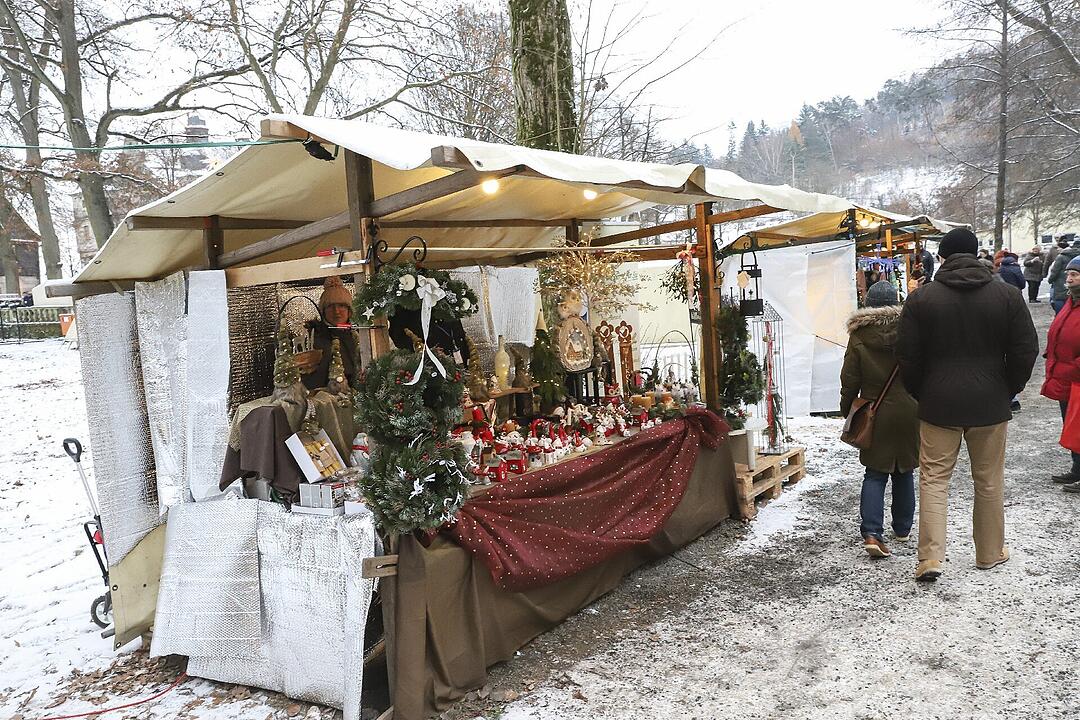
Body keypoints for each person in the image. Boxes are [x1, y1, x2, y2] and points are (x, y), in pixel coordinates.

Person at [896, 227, 1039, 582]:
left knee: (933, 480)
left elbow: (908, 356)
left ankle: (930, 556)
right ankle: (989, 552)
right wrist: (1008, 388)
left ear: (942, 257)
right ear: (976, 254)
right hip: (990, 401)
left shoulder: (921, 299)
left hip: (938, 402)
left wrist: (921, 391)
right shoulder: (1007, 295)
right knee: (988, 480)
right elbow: (1025, 350)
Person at [840, 281, 919, 558]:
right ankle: (903, 527)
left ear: (868, 304)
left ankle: (872, 533)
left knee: (874, 473)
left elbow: (849, 378)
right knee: (905, 470)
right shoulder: (911, 330)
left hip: (875, 411)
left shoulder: (859, 335)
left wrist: (848, 410)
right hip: (910, 409)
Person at [1041, 255, 1080, 492]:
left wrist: (1075, 367)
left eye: (1074, 275)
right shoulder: (1071, 301)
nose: (1069, 279)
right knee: (1072, 426)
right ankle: (1077, 468)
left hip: (1075, 376)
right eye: (1068, 274)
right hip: (1068, 377)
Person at [302, 276, 362, 392]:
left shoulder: (362, 334)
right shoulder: (314, 339)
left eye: (341, 306)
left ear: (349, 310)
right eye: (330, 306)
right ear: (323, 311)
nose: (336, 311)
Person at [1047, 240, 1080, 314]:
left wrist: (1050, 280)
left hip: (1060, 284)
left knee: (1061, 306)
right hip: (1074, 285)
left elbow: (1055, 271)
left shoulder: (1061, 257)